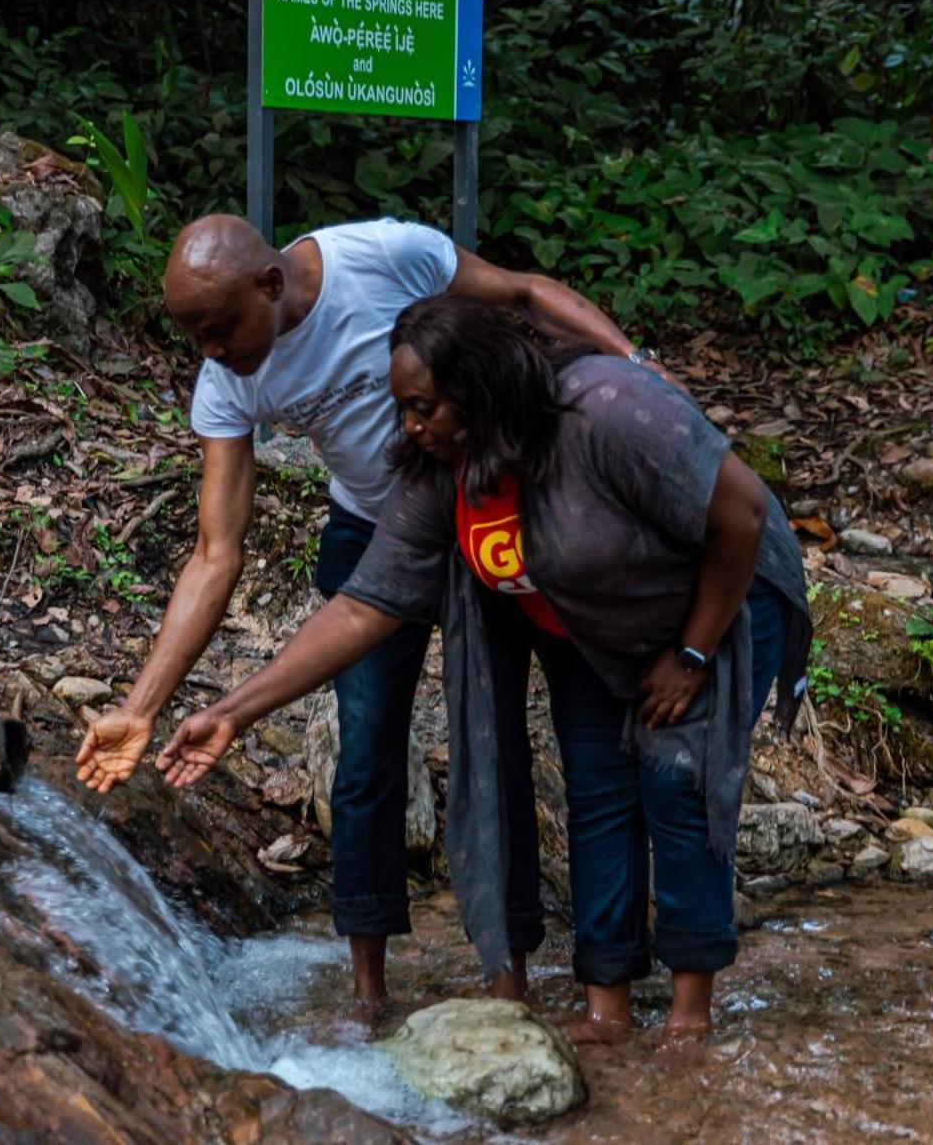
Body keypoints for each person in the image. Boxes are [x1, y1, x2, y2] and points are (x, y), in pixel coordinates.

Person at [154, 295, 812, 1044]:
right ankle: (609, 1007)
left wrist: (692, 652)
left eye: (423, 406)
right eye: (402, 408)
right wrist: (234, 711)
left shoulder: (605, 408)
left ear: (481, 385)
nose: (409, 426)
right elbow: (363, 607)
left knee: (673, 778)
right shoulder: (443, 472)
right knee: (598, 789)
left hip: (722, 600)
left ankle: (691, 1019)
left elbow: (744, 513)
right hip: (597, 628)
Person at [74, 214, 644, 1015]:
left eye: (218, 329)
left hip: (489, 515)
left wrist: (637, 370)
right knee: (367, 752)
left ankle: (511, 970)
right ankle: (369, 991)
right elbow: (215, 551)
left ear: (269, 284)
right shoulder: (229, 382)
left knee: (498, 741)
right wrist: (139, 708)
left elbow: (523, 292)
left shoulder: (382, 255)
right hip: (375, 532)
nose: (211, 352)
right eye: (193, 336)